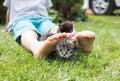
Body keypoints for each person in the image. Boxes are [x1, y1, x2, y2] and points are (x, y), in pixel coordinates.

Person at [3, 0, 96, 60]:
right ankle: (36, 47)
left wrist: (48, 22)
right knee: (27, 30)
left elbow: (45, 9)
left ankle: (75, 40)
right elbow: (9, 9)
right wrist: (7, 27)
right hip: (22, 19)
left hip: (42, 19)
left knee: (53, 28)